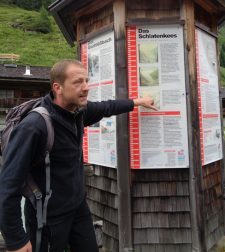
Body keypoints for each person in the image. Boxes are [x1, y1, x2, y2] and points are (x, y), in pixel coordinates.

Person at [0, 59, 157, 252]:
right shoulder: (34, 126)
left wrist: (138, 102)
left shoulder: (78, 112)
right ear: (58, 87)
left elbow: (107, 107)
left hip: (77, 209)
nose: (85, 87)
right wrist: (16, 239)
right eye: (77, 82)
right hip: (47, 218)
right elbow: (8, 184)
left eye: (86, 81)